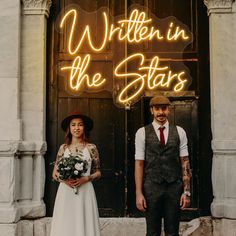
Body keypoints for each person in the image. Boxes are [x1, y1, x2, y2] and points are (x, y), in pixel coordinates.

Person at [135, 95, 192, 236]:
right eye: (157, 109)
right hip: (151, 186)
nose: (161, 112)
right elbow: (139, 163)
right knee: (152, 232)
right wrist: (138, 193)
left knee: (173, 232)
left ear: (169, 110)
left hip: (174, 187)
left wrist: (187, 192)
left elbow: (185, 162)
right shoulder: (142, 133)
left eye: (164, 108)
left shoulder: (179, 131)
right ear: (151, 110)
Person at [50, 111, 101, 236]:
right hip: (66, 191)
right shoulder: (63, 148)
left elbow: (98, 172)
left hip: (85, 191)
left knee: (85, 221)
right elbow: (54, 174)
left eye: (80, 125)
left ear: (84, 128)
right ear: (69, 128)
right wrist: (64, 180)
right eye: (73, 125)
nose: (76, 128)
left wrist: (86, 178)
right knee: (66, 222)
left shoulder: (91, 148)